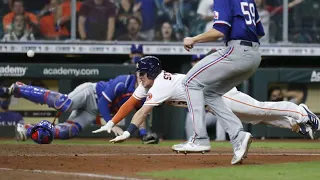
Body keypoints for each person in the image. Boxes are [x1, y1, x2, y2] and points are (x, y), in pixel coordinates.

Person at [92, 56, 317, 153]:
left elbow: (143, 111)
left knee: (257, 109)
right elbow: (132, 103)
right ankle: (294, 124)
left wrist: (128, 131)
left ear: (150, 72)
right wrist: (112, 121)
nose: (138, 77)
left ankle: (299, 111)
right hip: (211, 101)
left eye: (141, 73)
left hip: (218, 93)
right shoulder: (147, 84)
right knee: (254, 117)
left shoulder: (160, 83)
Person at [10, 74, 159, 144]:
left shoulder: (144, 95)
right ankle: (21, 88)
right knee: (64, 103)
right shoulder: (124, 82)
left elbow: (140, 114)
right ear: (137, 73)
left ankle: (27, 129)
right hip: (90, 93)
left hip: (92, 111)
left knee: (68, 131)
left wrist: (144, 134)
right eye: (141, 73)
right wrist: (110, 124)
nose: (143, 77)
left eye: (147, 75)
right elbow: (102, 102)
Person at [185, 54, 226, 141]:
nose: (197, 63)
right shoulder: (188, 78)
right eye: (195, 61)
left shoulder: (213, 76)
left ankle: (220, 142)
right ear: (191, 63)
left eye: (199, 60)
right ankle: (191, 141)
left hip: (212, 113)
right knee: (190, 116)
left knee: (222, 114)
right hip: (198, 113)